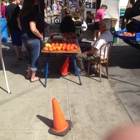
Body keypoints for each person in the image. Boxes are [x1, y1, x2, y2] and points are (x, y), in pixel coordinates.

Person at [18, 0, 45, 82]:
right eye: (35, 2)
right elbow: (33, 28)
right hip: (33, 38)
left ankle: (28, 74)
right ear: (32, 3)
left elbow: (20, 27)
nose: (36, 3)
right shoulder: (31, 13)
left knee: (31, 56)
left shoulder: (21, 13)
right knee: (35, 58)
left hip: (24, 37)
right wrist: (40, 36)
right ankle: (33, 77)